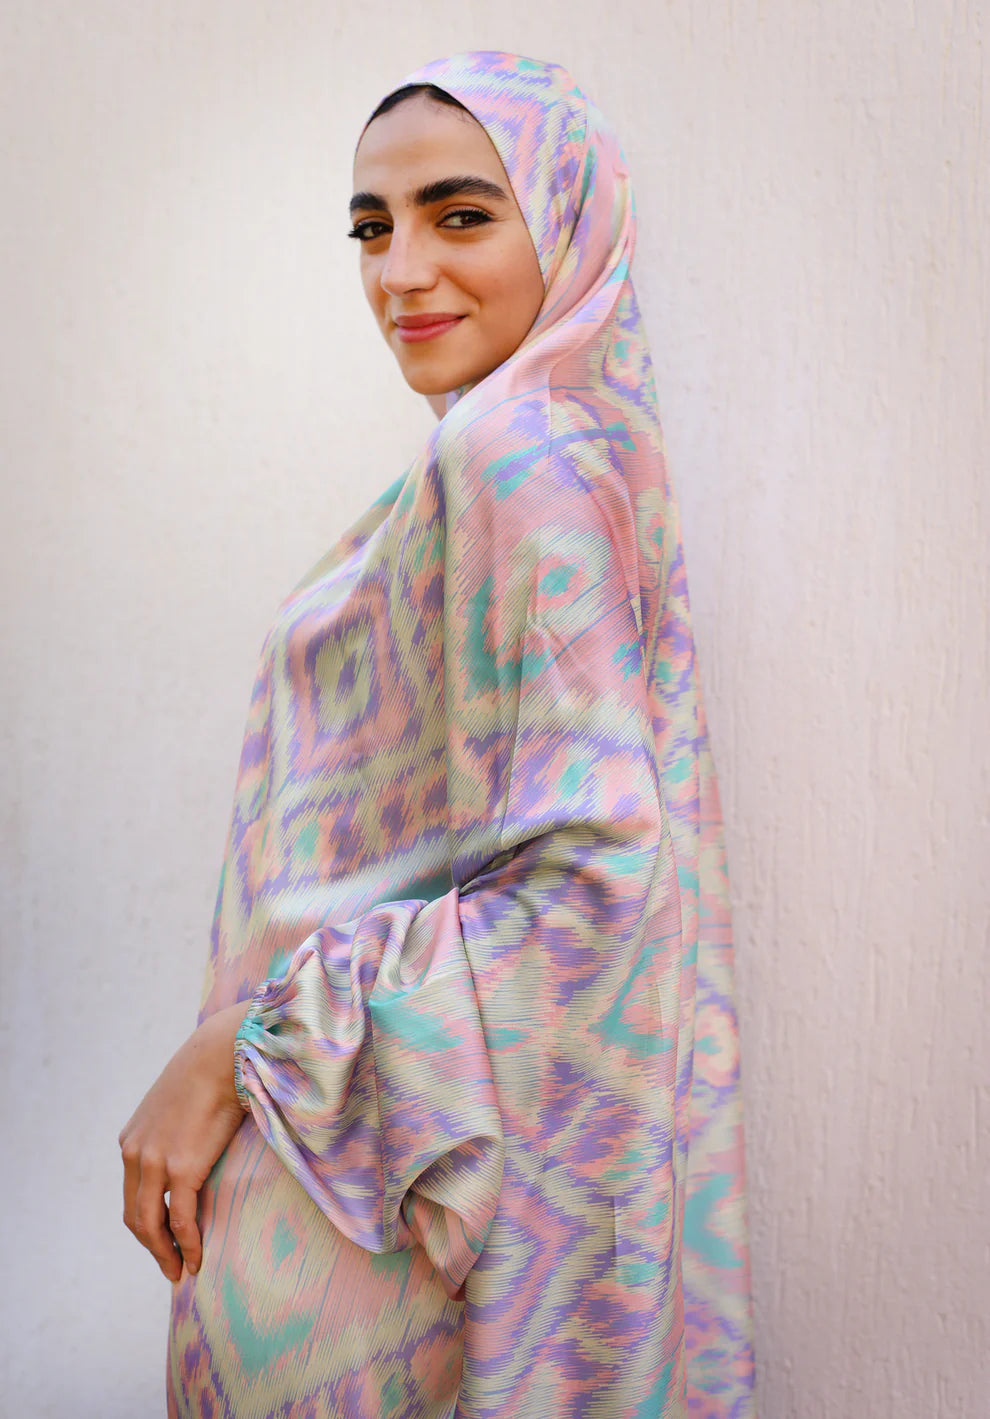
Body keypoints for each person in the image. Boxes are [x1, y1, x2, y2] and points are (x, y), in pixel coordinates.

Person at [119, 50, 757, 1419]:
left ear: (568, 219)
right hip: (361, 1172)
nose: (401, 272)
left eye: (460, 215)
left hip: (370, 1208)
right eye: (372, 227)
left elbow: (592, 897)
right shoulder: (557, 450)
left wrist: (237, 1047)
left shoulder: (516, 459)